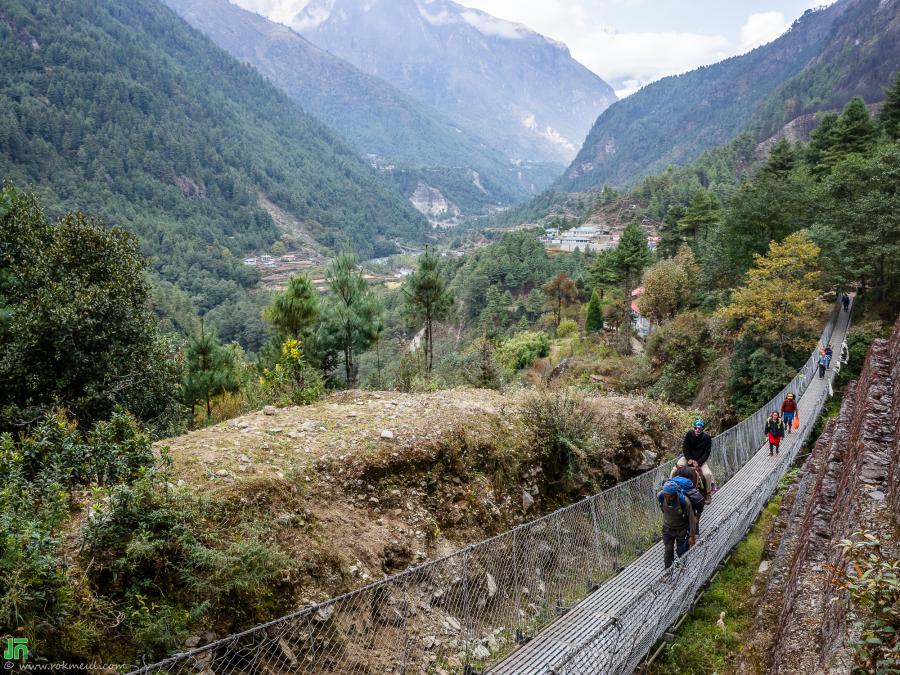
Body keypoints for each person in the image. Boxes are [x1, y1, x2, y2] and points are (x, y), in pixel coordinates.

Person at [657, 473, 699, 569]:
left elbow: (692, 519)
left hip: (681, 530)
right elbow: (663, 509)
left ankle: (683, 567)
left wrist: (692, 536)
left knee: (681, 551)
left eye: (670, 496)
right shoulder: (661, 496)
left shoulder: (684, 501)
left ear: (674, 494)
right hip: (667, 529)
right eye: (666, 495)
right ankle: (668, 572)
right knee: (668, 551)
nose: (667, 498)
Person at [673, 419, 716, 503]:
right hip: (688, 458)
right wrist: (689, 459)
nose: (697, 430)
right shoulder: (689, 434)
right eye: (696, 428)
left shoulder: (707, 438)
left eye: (699, 429)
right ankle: (671, 487)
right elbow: (685, 447)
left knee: (707, 474)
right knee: (675, 469)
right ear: (694, 428)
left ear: (702, 429)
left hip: (700, 460)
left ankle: (707, 494)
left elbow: (707, 453)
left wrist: (699, 462)